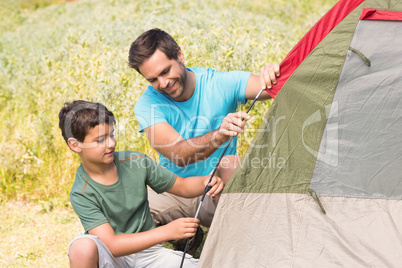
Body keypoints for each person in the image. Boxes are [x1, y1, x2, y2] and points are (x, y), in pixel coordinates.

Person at [129, 28, 280, 235]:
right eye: (153, 80)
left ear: (180, 55)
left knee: (230, 164)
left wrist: (273, 73)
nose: (163, 83)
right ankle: (182, 238)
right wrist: (218, 135)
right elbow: (178, 154)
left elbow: (271, 86)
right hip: (175, 191)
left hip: (216, 191)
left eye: (165, 71)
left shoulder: (219, 84)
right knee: (129, 213)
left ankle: (238, 238)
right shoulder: (147, 104)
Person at [59, 100, 224, 267]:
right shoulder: (81, 192)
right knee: (82, 248)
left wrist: (204, 181)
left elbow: (181, 185)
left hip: (149, 253)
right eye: (100, 140)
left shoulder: (136, 162)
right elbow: (111, 245)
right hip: (111, 256)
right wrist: (166, 232)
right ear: (75, 145)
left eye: (111, 135)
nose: (111, 144)